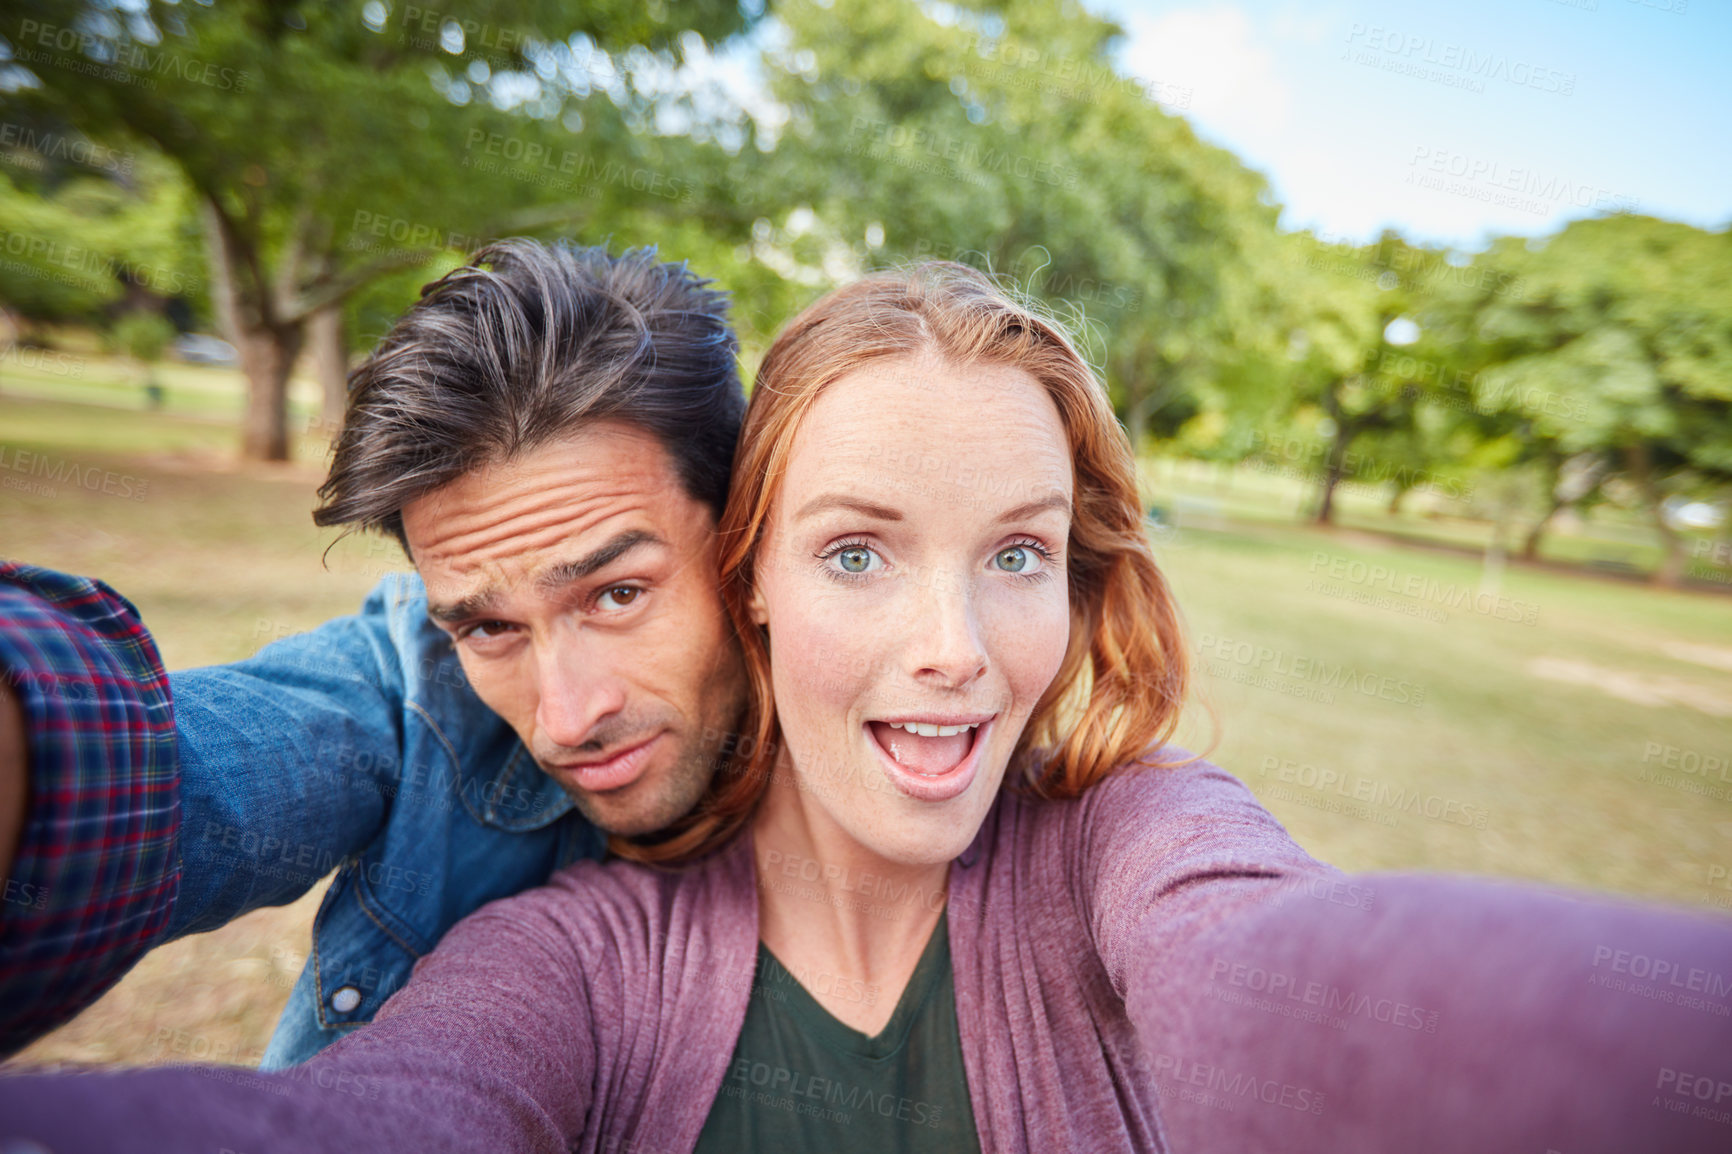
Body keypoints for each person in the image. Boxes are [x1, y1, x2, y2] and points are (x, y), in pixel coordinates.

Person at [4, 263, 1727, 1153]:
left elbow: (1305, 981)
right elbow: (364, 1089)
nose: (955, 646)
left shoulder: (1134, 844)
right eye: (857, 554)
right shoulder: (573, 939)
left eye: (1017, 554)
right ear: (759, 570)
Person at [0, 240, 751, 1062]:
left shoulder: (889, 735)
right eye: (489, 628)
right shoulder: (410, 685)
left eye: (617, 593)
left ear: (744, 537)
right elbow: (166, 772)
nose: (567, 720)